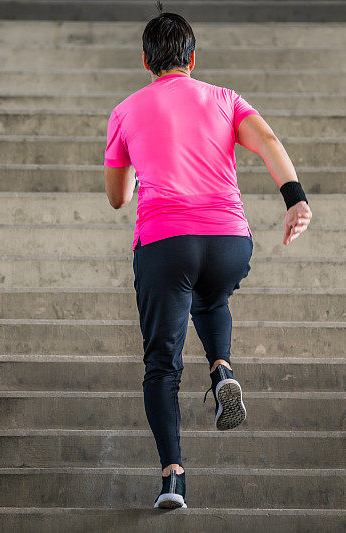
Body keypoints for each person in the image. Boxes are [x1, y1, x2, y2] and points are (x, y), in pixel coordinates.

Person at [103, 2, 312, 510]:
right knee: (212, 298)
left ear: (145, 59)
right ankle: (221, 369)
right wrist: (295, 199)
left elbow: (118, 197)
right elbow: (266, 141)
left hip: (164, 243)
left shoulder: (126, 111)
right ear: (192, 58)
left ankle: (173, 476)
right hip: (228, 241)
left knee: (161, 365)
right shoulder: (224, 99)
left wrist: (139, 161)